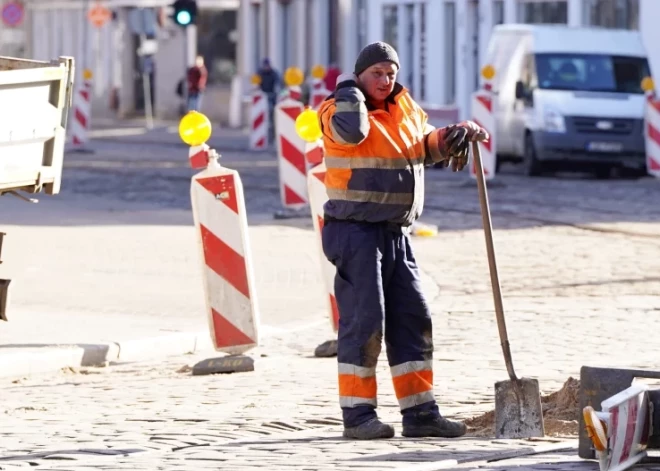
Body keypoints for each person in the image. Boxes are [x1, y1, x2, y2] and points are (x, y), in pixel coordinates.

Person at [317, 41, 488, 440]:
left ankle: (420, 413)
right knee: (366, 321)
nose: (386, 79)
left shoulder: (405, 108)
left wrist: (454, 135)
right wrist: (347, 90)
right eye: (377, 73)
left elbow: (424, 145)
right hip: (355, 230)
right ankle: (358, 416)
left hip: (396, 232)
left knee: (413, 318)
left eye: (390, 73)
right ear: (360, 74)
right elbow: (352, 131)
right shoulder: (336, 109)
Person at [256, 58, 281, 141]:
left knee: (272, 116)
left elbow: (278, 83)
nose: (266, 67)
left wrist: (276, 92)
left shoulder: (273, 74)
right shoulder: (260, 73)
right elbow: (257, 83)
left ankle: (272, 136)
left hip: (272, 97)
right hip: (262, 97)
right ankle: (262, 135)